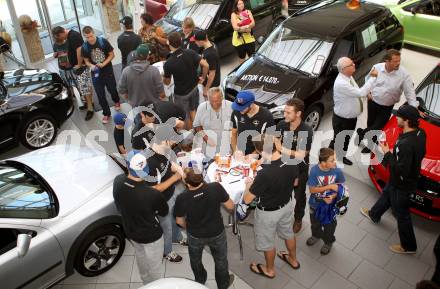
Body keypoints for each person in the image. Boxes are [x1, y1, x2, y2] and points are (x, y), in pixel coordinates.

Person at [361, 105, 426, 254]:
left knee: (401, 213)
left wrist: (387, 153)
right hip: (403, 179)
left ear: (407, 120)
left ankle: (409, 246)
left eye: (399, 116)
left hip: (402, 183)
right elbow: (420, 154)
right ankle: (374, 214)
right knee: (387, 192)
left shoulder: (406, 144)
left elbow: (399, 169)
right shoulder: (421, 134)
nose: (396, 118)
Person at [243, 134, 300, 279]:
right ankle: (293, 260)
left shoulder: (264, 174)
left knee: (267, 242)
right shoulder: (291, 160)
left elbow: (247, 199)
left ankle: (269, 270)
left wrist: (248, 184)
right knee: (288, 232)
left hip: (268, 213)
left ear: (261, 151)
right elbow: (295, 183)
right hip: (287, 205)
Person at [113, 150, 169, 284]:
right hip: (151, 236)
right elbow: (164, 212)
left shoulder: (118, 181)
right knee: (155, 267)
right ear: (146, 171)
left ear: (127, 166)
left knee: (141, 257)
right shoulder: (151, 194)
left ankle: (146, 283)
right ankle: (156, 286)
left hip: (131, 231)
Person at [174, 168, 235, 288]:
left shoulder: (182, 198)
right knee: (221, 261)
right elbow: (231, 206)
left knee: (195, 261)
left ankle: (200, 281)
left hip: (195, 235)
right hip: (217, 232)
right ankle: (223, 284)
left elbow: (179, 221)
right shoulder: (215, 187)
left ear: (186, 183)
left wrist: (189, 227)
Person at [357, 49, 420, 154]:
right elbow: (368, 79)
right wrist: (368, 93)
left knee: (378, 127)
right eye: (395, 61)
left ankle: (361, 133)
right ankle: (370, 144)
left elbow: (410, 93)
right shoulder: (377, 67)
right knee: (371, 124)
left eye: (399, 60)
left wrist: (414, 109)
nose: (398, 63)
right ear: (387, 61)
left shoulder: (404, 74)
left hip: (387, 107)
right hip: (372, 102)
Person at [144, 125, 186, 263]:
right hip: (161, 201)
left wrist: (180, 171)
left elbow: (169, 165)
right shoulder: (149, 161)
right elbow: (154, 190)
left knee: (174, 217)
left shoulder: (164, 150)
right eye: (173, 141)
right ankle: (167, 251)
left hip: (171, 193)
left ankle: (178, 237)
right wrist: (175, 178)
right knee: (166, 226)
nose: (175, 143)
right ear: (165, 140)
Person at [329, 56, 378, 165]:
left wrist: (367, 94)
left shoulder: (348, 77)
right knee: (337, 140)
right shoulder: (342, 83)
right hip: (342, 120)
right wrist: (373, 78)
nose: (354, 65)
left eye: (353, 63)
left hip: (350, 118)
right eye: (351, 64)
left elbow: (356, 91)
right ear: (343, 69)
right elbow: (360, 92)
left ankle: (341, 157)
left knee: (346, 139)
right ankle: (327, 159)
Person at [275, 98, 314, 233]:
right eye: (284, 111)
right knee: (281, 193)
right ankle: (280, 215)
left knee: (299, 196)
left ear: (298, 114)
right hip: (283, 167)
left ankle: (298, 219)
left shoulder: (306, 130)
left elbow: (300, 155)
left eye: (288, 113)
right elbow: (273, 142)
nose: (284, 115)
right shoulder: (281, 124)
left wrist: (280, 148)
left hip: (299, 170)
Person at [163, 32, 209, 129]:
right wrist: (203, 77)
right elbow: (206, 65)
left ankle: (191, 139)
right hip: (194, 88)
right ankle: (199, 131)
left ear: (169, 43)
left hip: (181, 94)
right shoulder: (190, 52)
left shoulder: (168, 63)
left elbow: (166, 82)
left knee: (184, 117)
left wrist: (163, 76)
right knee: (193, 110)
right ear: (180, 42)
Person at [306, 147, 345, 255]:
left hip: (330, 207)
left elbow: (341, 187)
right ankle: (316, 235)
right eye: (332, 160)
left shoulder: (337, 171)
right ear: (323, 163)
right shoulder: (314, 171)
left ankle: (328, 241)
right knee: (315, 223)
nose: (335, 162)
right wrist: (330, 187)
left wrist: (333, 196)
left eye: (335, 159)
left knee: (330, 226)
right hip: (315, 204)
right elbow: (312, 189)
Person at [51, 26, 94, 121]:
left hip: (80, 67)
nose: (61, 39)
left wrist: (78, 64)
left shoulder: (73, 36)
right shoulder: (70, 36)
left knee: (85, 87)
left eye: (60, 37)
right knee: (84, 88)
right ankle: (89, 105)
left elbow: (79, 50)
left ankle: (90, 107)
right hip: (77, 67)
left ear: (61, 33)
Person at [81, 26, 120, 124]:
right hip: (96, 74)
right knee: (100, 94)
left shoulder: (103, 41)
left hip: (107, 71)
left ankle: (116, 101)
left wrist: (103, 63)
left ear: (94, 33)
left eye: (91, 36)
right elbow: (86, 61)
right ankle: (106, 113)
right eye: (87, 37)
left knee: (112, 89)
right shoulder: (84, 47)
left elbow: (112, 55)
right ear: (84, 37)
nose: (90, 38)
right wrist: (91, 65)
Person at [230, 90, 275, 155]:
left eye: (242, 107)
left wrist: (253, 155)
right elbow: (233, 134)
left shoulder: (267, 116)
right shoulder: (236, 112)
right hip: (240, 155)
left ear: (251, 104)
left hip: (259, 156)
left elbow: (269, 140)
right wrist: (235, 151)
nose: (239, 110)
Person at [193, 87, 233, 157]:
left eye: (217, 101)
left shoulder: (231, 106)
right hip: (209, 143)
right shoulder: (202, 107)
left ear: (222, 98)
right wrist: (206, 138)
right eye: (212, 101)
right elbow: (196, 125)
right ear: (208, 99)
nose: (214, 104)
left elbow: (238, 126)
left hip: (227, 144)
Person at [194, 31, 221, 99]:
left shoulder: (210, 54)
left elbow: (212, 73)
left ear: (200, 41)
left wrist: (206, 88)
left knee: (213, 104)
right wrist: (203, 77)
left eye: (196, 41)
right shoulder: (210, 46)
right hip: (209, 82)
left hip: (212, 85)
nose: (195, 43)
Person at [231, 0, 256, 64]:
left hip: (249, 39)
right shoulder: (233, 14)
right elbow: (235, 28)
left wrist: (247, 26)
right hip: (239, 41)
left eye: (242, 3)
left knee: (252, 57)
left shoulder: (248, 12)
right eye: (239, 4)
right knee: (242, 58)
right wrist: (246, 29)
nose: (241, 5)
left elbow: (253, 23)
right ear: (236, 5)